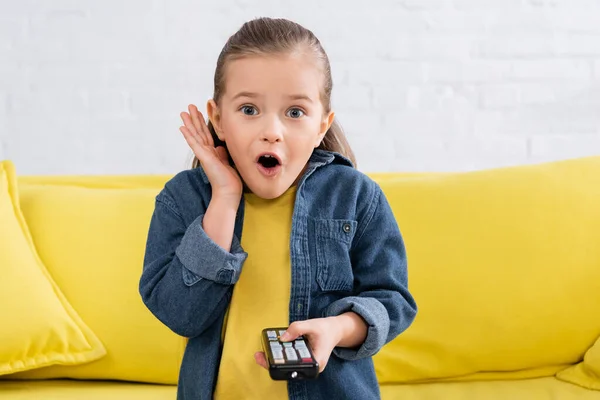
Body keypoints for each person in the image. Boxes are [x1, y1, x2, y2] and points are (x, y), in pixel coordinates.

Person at [139, 17, 417, 400]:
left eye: (295, 112)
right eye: (249, 109)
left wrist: (337, 328)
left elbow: (392, 300)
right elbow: (180, 314)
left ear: (322, 124)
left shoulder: (355, 196)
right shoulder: (184, 199)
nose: (272, 130)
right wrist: (224, 196)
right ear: (217, 117)